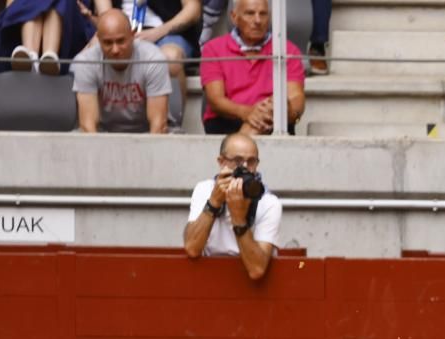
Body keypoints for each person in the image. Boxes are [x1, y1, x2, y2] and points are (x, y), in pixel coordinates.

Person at [182, 130, 281, 281]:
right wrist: (214, 202)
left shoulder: (268, 202)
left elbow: (256, 269)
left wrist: (238, 217)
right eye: (238, 161)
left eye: (251, 161)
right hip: (207, 281)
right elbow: (192, 248)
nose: (245, 168)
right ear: (221, 162)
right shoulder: (205, 189)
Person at [198, 0, 305, 136]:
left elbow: (296, 99)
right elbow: (216, 101)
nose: (258, 20)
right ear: (234, 17)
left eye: (263, 14)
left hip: (274, 121)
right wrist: (248, 113)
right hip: (227, 120)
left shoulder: (287, 49)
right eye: (250, 13)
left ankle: (237, 150)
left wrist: (274, 110)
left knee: (273, 110)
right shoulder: (213, 49)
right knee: (259, 122)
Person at [73, 8, 172, 133]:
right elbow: (88, 126)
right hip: (102, 135)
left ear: (132, 35)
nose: (115, 50)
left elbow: (158, 125)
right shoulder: (86, 62)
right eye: (108, 43)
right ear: (98, 39)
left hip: (146, 134)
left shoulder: (153, 59)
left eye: (121, 41)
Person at [0, 0, 92, 74]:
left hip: (72, 32)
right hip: (19, 32)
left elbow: (105, 20)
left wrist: (89, 15)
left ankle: (49, 57)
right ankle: (31, 58)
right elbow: (9, 11)